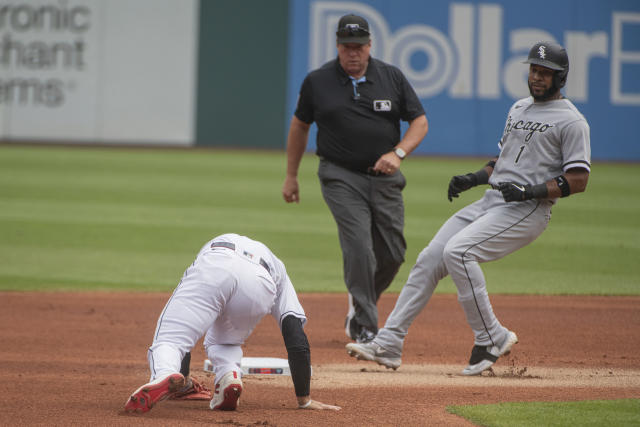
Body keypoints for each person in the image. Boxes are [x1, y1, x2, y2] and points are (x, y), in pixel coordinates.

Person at [346, 41, 591, 375]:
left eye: (545, 73)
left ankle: (492, 336)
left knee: (459, 252)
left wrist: (528, 191)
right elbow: (502, 162)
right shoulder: (519, 108)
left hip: (529, 210)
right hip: (493, 201)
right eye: (534, 69)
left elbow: (578, 179)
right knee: (430, 258)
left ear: (560, 77)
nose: (537, 77)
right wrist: (473, 179)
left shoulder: (572, 122)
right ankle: (389, 342)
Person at [282, 14, 429, 344]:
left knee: (393, 253)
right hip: (339, 174)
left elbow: (419, 122)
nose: (353, 53)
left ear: (369, 46)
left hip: (386, 177)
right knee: (360, 247)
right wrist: (291, 176)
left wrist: (399, 153)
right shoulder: (317, 82)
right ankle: (365, 323)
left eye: (359, 47)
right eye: (347, 47)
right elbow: (299, 126)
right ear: (337, 46)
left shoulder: (391, 77)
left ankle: (360, 299)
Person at [124, 233, 341, 413]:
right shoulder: (280, 269)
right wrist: (305, 399)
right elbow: (295, 333)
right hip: (261, 282)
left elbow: (188, 329)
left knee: (172, 339)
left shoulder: (212, 247)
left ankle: (164, 373)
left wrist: (183, 377)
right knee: (225, 342)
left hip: (217, 261)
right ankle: (229, 374)